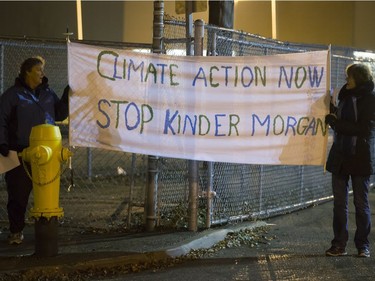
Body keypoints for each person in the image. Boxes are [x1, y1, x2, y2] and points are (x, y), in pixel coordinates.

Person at [0, 57, 69, 245]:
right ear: (27, 72)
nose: (42, 74)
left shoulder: (47, 93)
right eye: (39, 70)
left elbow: (60, 113)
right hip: (21, 153)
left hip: (47, 154)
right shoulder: (13, 95)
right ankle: (16, 231)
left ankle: (45, 232)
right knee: (18, 195)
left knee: (47, 195)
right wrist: (3, 144)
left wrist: (66, 96)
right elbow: (2, 120)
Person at [325, 63, 375, 258]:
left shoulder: (370, 99)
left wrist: (337, 124)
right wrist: (329, 107)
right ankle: (339, 244)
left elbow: (365, 129)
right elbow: (340, 117)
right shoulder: (344, 95)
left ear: (359, 78)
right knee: (339, 203)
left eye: (350, 76)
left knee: (361, 204)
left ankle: (363, 245)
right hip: (340, 157)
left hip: (360, 157)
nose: (346, 80)